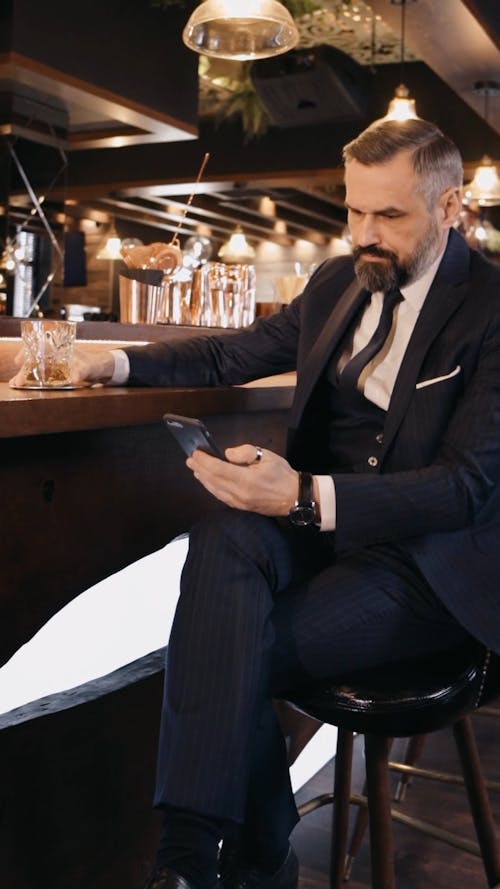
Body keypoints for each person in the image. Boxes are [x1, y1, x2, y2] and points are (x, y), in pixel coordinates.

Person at [11, 118, 500, 889]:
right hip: (323, 536)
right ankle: (206, 858)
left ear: (449, 208)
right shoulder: (340, 282)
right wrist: (105, 361)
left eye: (390, 215)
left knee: (228, 651)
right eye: (353, 210)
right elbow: (226, 353)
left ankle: (234, 855)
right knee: (224, 538)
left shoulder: (491, 307)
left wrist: (305, 493)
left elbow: (468, 486)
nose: (365, 234)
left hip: (428, 563)